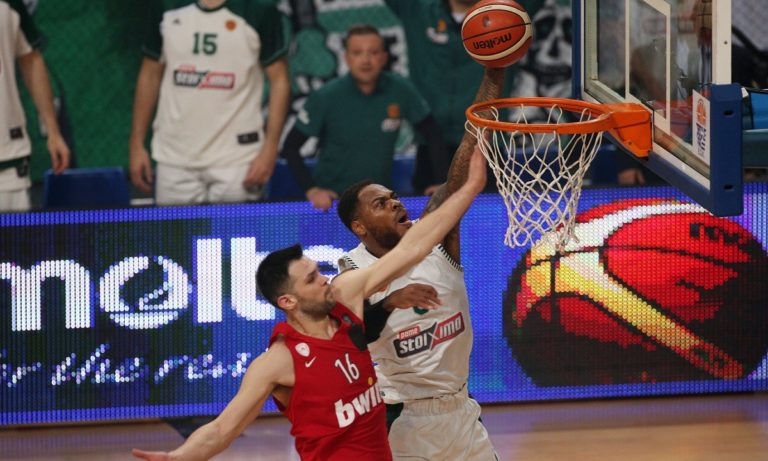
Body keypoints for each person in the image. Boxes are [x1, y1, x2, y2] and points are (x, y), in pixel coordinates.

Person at [131, 144, 488, 461]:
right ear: (288, 300)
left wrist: (470, 188)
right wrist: (180, 456)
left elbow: (414, 246)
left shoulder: (345, 300)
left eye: (319, 272)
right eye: (312, 279)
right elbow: (222, 429)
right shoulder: (278, 362)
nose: (324, 280)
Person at [336, 67, 505, 460]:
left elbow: (461, 163)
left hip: (461, 411)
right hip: (402, 418)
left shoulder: (437, 240)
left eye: (393, 196)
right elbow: (356, 334)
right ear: (359, 227)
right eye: (381, 204)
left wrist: (495, 73)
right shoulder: (352, 271)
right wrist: (389, 302)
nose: (395, 203)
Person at [129, 0, 290, 205]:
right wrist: (136, 143)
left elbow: (280, 81)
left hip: (238, 158)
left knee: (236, 228)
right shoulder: (166, 6)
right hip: (174, 156)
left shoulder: (259, 9)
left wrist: (270, 149)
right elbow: (150, 73)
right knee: (175, 228)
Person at [280, 23, 446, 211]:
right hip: (332, 204)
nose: (365, 60)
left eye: (373, 52)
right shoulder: (325, 96)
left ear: (384, 57)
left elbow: (433, 133)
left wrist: (442, 182)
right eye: (357, 53)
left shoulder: (400, 90)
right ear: (346, 58)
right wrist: (312, 190)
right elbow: (290, 148)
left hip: (381, 204)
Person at [0, 0, 70, 212]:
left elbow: (30, 59)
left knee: (15, 235)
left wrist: (53, 132)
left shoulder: (10, 3)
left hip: (8, 163)